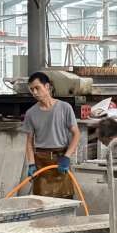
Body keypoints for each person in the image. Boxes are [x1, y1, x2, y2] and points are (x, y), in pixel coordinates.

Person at [21, 70, 81, 199]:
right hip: (41, 162)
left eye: (37, 88)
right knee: (41, 202)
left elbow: (76, 134)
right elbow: (29, 142)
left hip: (60, 160)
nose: (34, 92)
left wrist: (67, 157)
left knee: (65, 199)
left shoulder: (65, 108)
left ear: (47, 86)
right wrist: (31, 164)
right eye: (32, 90)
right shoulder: (31, 113)